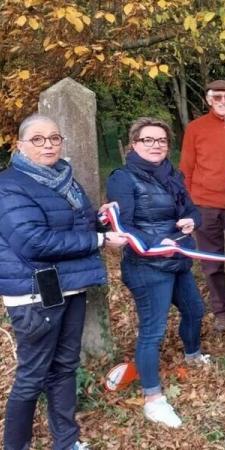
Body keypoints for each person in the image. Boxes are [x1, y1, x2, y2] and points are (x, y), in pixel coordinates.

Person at [0, 114, 127, 450]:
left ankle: (66, 441)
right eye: (38, 139)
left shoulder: (64, 180)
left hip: (70, 286)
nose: (48, 145)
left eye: (54, 138)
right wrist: (99, 242)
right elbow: (33, 242)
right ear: (21, 145)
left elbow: (78, 223)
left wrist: (100, 221)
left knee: (65, 366)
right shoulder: (9, 185)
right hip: (34, 293)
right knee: (33, 375)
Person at [107, 117, 208, 428]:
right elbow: (122, 225)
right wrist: (155, 242)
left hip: (176, 258)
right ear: (134, 144)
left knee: (195, 309)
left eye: (161, 140)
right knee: (153, 331)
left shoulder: (172, 175)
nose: (156, 145)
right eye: (148, 140)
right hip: (147, 265)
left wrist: (193, 220)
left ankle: (193, 354)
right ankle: (153, 399)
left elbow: (190, 208)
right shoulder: (123, 178)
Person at [180, 79, 225, 332]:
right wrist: (186, 204)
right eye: (217, 97)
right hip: (204, 205)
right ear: (209, 100)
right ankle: (221, 311)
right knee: (212, 263)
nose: (223, 102)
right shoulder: (195, 128)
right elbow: (186, 167)